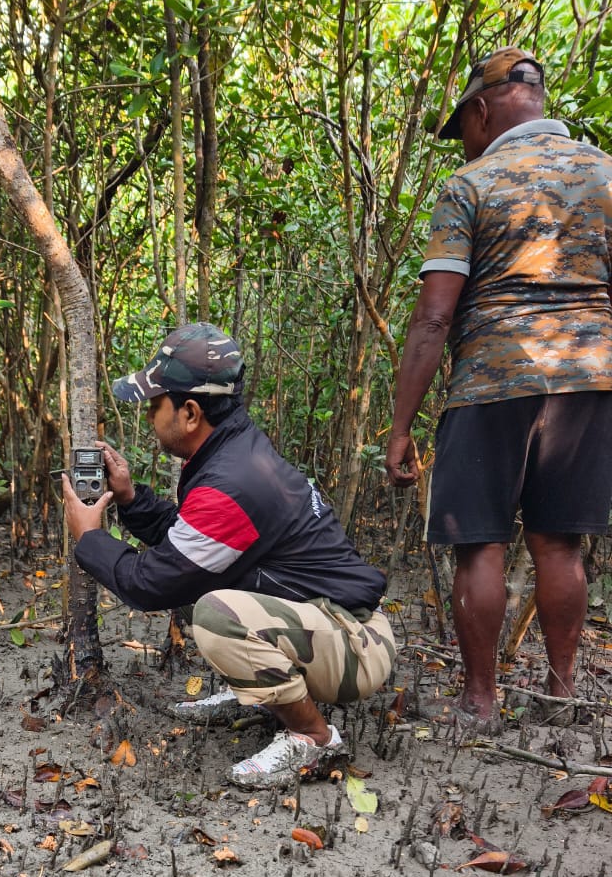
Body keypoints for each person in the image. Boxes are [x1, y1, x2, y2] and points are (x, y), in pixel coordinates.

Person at [62, 322, 396, 789]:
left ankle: (313, 737)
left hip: (356, 644)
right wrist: (132, 499)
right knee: (210, 590)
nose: (150, 415)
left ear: (191, 412)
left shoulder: (229, 483)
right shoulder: (233, 453)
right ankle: (261, 697)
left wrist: (87, 538)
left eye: (156, 404)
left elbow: (150, 583)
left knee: (216, 615)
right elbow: (187, 548)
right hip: (333, 623)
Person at [385, 47, 612, 732]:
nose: (466, 141)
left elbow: (434, 315)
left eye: (465, 126)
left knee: (479, 543)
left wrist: (401, 425)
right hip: (589, 377)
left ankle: (480, 701)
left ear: (482, 111)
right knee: (560, 544)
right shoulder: (607, 175)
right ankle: (561, 690)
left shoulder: (470, 184)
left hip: (490, 381)